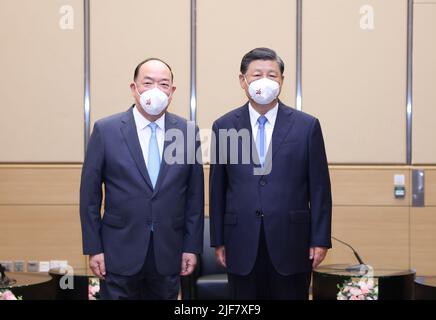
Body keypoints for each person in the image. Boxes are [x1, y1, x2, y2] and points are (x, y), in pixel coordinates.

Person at [209, 47, 332, 300]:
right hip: (240, 241)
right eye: (257, 75)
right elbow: (218, 188)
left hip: (292, 242)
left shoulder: (306, 126)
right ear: (243, 81)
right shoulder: (224, 126)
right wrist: (218, 240)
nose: (265, 81)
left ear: (282, 81)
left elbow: (320, 188)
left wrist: (320, 240)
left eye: (272, 75)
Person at [80, 58, 204, 300]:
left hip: (168, 253)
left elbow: (194, 197)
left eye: (163, 84)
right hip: (118, 252)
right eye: (148, 83)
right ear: (134, 88)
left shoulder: (187, 132)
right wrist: (94, 248)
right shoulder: (106, 130)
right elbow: (90, 196)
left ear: (172, 91)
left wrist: (191, 246)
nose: (156, 90)